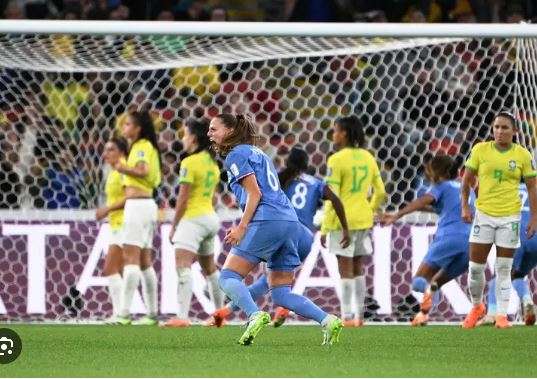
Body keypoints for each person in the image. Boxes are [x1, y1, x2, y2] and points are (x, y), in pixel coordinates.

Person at [208, 113, 342, 345]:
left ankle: (254, 314)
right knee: (280, 293)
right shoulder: (258, 153)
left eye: (214, 129)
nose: (209, 134)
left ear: (230, 131)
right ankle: (327, 320)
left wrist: (242, 227)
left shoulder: (235, 155)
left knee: (228, 277)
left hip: (266, 220)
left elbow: (255, 193)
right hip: (290, 222)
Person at [461, 111, 537, 329]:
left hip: (510, 218)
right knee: (475, 268)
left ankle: (502, 316)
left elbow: (532, 187)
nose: (499, 131)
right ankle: (477, 306)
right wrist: (465, 206)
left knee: (504, 268)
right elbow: (466, 181)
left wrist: (534, 217)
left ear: (514, 131)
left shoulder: (523, 155)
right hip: (483, 215)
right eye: (496, 127)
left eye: (504, 127)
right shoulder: (480, 150)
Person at [381, 155, 473, 326]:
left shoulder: (441, 186)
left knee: (419, 281)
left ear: (442, 171)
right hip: (471, 243)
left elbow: (425, 199)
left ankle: (425, 304)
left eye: (431, 168)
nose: (428, 171)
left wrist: (397, 215)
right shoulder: (465, 187)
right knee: (435, 283)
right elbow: (444, 206)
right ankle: (423, 315)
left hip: (449, 237)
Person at [321, 115, 386, 327]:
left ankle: (347, 316)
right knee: (359, 268)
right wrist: (370, 208)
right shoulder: (368, 157)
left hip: (343, 221)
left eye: (335, 130)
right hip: (363, 219)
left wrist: (325, 227)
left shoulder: (336, 159)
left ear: (344, 133)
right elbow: (381, 191)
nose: (333, 135)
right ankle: (359, 316)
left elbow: (332, 195)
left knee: (345, 269)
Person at [164, 118, 224, 327]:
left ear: (194, 138)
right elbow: (214, 197)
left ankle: (182, 317)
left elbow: (183, 199)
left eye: (185, 134)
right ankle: (219, 317)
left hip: (193, 219)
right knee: (210, 270)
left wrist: (174, 227)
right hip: (210, 218)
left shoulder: (189, 163)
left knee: (182, 266)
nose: (183, 138)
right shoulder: (212, 164)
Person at [113, 110, 162, 326]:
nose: (124, 128)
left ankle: (123, 313)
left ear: (137, 128)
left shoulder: (141, 146)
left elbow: (142, 170)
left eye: (127, 124)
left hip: (137, 206)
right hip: (147, 206)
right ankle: (151, 313)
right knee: (144, 261)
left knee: (130, 258)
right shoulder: (142, 147)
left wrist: (122, 168)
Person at [483, 182, 536, 326]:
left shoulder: (504, 188)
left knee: (500, 274)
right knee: (518, 275)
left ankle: (492, 313)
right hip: (534, 236)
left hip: (514, 233)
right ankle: (527, 301)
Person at [95, 137, 129, 323]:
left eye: (111, 149)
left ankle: (119, 313)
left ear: (121, 152)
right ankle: (122, 313)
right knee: (121, 271)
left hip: (125, 224)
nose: (105, 153)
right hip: (117, 224)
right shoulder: (114, 171)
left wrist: (106, 209)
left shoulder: (123, 169)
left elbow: (129, 197)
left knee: (110, 268)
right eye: (105, 149)